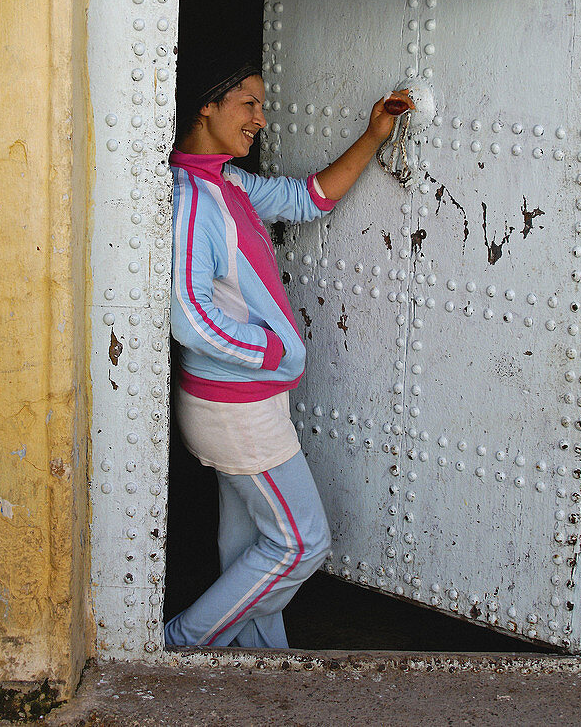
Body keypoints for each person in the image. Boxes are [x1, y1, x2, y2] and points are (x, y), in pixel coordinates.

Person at [164, 54, 410, 649]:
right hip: (234, 408)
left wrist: (373, 136)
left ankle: (261, 664)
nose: (261, 118)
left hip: (247, 402)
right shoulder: (191, 198)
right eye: (248, 103)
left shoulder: (228, 185)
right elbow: (189, 315)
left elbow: (309, 199)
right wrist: (272, 349)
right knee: (301, 543)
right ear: (207, 104)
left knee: (249, 551)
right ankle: (180, 644)